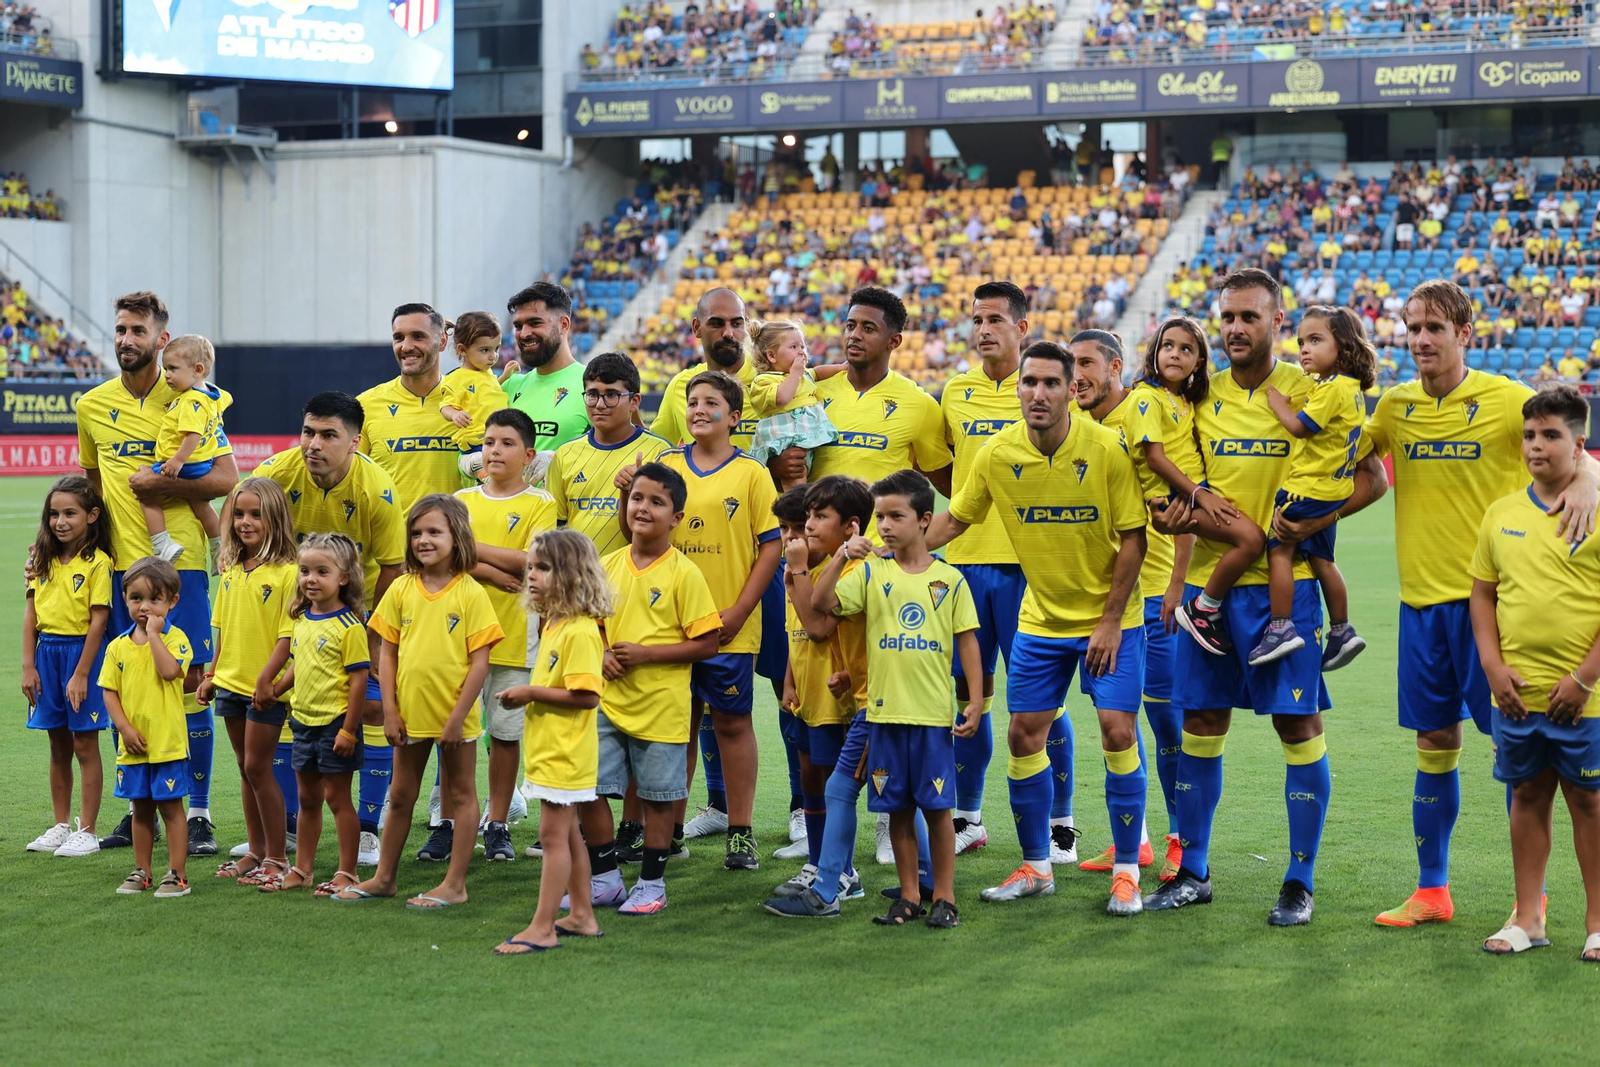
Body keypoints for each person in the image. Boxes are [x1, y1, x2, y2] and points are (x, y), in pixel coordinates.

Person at [1147, 268, 1387, 926]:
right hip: (1213, 590)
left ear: (1277, 322)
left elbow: (1372, 478)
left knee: (1297, 726)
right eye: (1227, 317)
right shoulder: (1198, 396)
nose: (1234, 328)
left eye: (1249, 317)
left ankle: (1299, 881)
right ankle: (1193, 871)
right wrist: (1174, 519)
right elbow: (1175, 489)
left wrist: (1316, 521)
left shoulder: (1315, 389)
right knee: (1201, 724)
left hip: (1289, 593)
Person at [1366, 280, 1599, 927]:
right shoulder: (1395, 406)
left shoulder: (1504, 399)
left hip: (1494, 610)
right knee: (1434, 741)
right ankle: (1432, 891)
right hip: (1420, 606)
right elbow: (1347, 458)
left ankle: (1532, 902)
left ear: (1465, 333)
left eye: (1435, 328)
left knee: (1516, 752)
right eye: (1413, 328)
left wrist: (1588, 476)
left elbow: (1569, 432)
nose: (1421, 340)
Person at [927, 340, 1151, 916]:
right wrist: (894, 547)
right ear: (1019, 389)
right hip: (1042, 618)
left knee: (1117, 732)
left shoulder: (1105, 448)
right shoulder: (997, 453)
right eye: (1030, 382)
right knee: (1024, 734)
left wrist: (1109, 621)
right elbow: (956, 519)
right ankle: (1036, 867)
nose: (1039, 393)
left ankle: (1127, 872)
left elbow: (1134, 537)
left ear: (1072, 389)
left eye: (1052, 383)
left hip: (1111, 621)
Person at [78, 292, 238, 857]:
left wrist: (161, 484)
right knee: (130, 683)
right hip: (123, 568)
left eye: (138, 330)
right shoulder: (92, 405)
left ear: (161, 339)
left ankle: (198, 813)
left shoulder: (190, 397)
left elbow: (226, 479)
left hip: (182, 565)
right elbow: (93, 486)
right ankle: (138, 807)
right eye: (120, 329)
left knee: (190, 686)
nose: (126, 339)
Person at [809, 285, 953, 860]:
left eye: (867, 328)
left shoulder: (918, 405)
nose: (854, 335)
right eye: (849, 324)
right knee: (816, 687)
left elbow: (945, 486)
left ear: (893, 340)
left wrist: (916, 548)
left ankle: (886, 816)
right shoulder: (816, 391)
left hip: (881, 571)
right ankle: (809, 816)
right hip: (821, 563)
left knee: (877, 688)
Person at [813, 471, 981, 928]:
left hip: (931, 718)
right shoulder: (871, 572)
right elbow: (821, 603)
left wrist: (975, 699)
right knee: (898, 812)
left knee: (938, 812)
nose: (884, 526)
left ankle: (944, 896)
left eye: (895, 516)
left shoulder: (949, 579)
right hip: (884, 717)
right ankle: (908, 896)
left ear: (925, 519)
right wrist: (842, 555)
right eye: (879, 517)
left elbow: (967, 639)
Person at [1470, 385, 1600, 958]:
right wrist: (1493, 668)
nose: (1536, 446)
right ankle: (1529, 919)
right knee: (1526, 796)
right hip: (1517, 697)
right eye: (1528, 435)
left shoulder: (1595, 509)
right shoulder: (1501, 513)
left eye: (1550, 435)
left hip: (1586, 697)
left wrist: (1586, 678)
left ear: (1579, 444)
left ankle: (1597, 923)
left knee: (1589, 802)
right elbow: (1482, 594)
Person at [256, 391, 405, 864]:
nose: (313, 444)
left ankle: (367, 826)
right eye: (308, 432)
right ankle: (288, 827)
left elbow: (393, 567)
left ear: (355, 442)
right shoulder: (276, 474)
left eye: (328, 435)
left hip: (359, 614)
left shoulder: (377, 489)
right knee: (293, 704)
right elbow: (239, 519)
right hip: (293, 611)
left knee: (372, 709)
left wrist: (375, 637)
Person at [334, 495, 502, 908]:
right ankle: (384, 878)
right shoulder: (401, 589)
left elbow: (480, 664)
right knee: (400, 796)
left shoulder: (471, 593)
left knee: (461, 796)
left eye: (434, 532)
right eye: (416, 533)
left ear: (457, 536)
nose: (423, 540)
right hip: (408, 716)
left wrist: (457, 718)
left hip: (455, 719)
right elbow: (387, 654)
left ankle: (455, 885)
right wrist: (391, 711)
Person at [1070, 330, 1187, 881]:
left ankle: (1182, 839)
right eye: (1070, 364)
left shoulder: (1142, 412)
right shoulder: (1078, 430)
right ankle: (1133, 840)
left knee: (1166, 721)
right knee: (1116, 722)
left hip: (1157, 598)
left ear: (1115, 367)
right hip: (1104, 603)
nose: (1076, 376)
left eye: (1086, 363)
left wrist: (1177, 587)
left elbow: (1182, 502)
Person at [581, 463, 722, 915]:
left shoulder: (684, 573)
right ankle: (605, 880)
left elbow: (708, 642)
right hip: (607, 703)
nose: (643, 508)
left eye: (656, 502)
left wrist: (646, 655)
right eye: (637, 498)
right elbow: (589, 624)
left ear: (676, 518)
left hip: (662, 708)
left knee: (658, 800)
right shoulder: (606, 566)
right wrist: (602, 652)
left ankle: (652, 886)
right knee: (590, 790)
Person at [659, 372, 782, 870]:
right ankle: (668, 831)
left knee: (732, 723)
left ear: (734, 417)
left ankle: (740, 832)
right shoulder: (666, 466)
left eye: (711, 402)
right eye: (692, 401)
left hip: (728, 625)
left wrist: (739, 611)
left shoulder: (752, 472)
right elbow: (639, 531)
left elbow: (770, 546)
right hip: (670, 625)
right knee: (675, 727)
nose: (698, 409)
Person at [936, 282, 1028, 861]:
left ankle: (1061, 827)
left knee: (1037, 698)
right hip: (965, 561)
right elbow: (945, 470)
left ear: (1022, 327)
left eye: (995, 319)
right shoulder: (955, 390)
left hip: (1028, 564)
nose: (984, 329)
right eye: (977, 319)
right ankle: (968, 817)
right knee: (970, 692)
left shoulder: (1042, 385)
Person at [491, 530, 610, 954]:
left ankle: (542, 927)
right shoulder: (555, 624)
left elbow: (587, 696)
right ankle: (582, 915)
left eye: (543, 568)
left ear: (572, 574)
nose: (532, 576)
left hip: (566, 753)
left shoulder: (579, 631)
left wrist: (529, 692)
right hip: (551, 749)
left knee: (553, 836)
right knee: (569, 833)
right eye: (530, 568)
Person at [456, 409, 557, 861]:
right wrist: (494, 572)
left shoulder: (540, 503)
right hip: (458, 638)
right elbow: (444, 555)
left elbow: (535, 560)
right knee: (456, 733)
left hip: (515, 636)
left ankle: (497, 822)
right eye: (488, 442)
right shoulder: (461, 500)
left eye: (506, 443)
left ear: (529, 455)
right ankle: (451, 821)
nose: (494, 451)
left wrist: (470, 551)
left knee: (504, 735)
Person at [1253, 306, 1375, 668]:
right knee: (1323, 561)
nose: (1305, 348)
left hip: (1305, 490)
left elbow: (1300, 428)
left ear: (1344, 345)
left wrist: (1278, 405)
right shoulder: (1350, 388)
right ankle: (1342, 630)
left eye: (1316, 340)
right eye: (1302, 341)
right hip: (1334, 492)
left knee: (1279, 553)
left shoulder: (1331, 389)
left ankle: (1280, 627)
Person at [198, 478, 297, 888]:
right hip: (231, 684)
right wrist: (212, 675)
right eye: (238, 514)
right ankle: (256, 851)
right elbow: (223, 631)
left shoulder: (289, 573)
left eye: (256, 514)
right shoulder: (232, 571)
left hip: (265, 690)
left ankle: (277, 858)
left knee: (259, 767)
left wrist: (267, 680)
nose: (245, 522)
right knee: (245, 768)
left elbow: (287, 638)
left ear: (275, 518)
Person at [768, 485, 854, 895]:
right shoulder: (793, 571)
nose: (791, 538)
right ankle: (817, 862)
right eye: (784, 529)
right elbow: (795, 634)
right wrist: (788, 682)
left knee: (835, 787)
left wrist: (799, 570)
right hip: (805, 697)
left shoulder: (833, 575)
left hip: (834, 702)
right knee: (810, 783)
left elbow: (817, 630)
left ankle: (843, 871)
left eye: (799, 527)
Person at [22, 476, 113, 858]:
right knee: (57, 743)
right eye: (54, 514)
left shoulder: (99, 563)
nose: (60, 522)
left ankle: (87, 831)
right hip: (47, 655)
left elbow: (99, 620)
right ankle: (61, 825)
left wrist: (81, 673)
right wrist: (28, 665)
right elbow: (31, 614)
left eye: (70, 513)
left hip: (82, 656)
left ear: (91, 515)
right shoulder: (40, 560)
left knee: (84, 743)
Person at [278, 533, 370, 897]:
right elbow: (298, 663)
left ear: (344, 577)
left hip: (335, 724)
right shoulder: (301, 620)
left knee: (337, 798)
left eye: (321, 571)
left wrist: (348, 730)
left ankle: (348, 872)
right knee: (307, 799)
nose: (310, 579)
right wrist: (276, 688)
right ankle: (302, 868)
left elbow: (359, 681)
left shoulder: (350, 627)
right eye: (305, 571)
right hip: (303, 722)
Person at [99, 556, 196, 898]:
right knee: (140, 810)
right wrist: (124, 729)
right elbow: (109, 692)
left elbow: (170, 672)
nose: (145, 607)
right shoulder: (117, 647)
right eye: (136, 598)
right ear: (124, 599)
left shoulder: (176, 639)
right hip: (134, 746)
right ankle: (143, 871)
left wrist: (154, 635)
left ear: (172, 601)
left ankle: (177, 874)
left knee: (171, 808)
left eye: (155, 599)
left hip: (167, 744)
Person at [546, 352, 672, 562]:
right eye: (592, 394)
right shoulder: (565, 454)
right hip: (578, 577)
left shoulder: (660, 452)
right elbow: (555, 531)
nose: (600, 404)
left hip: (637, 577)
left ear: (634, 402)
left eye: (611, 395)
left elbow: (666, 532)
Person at [358, 303, 463, 512]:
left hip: (457, 532)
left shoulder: (467, 400)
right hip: (390, 534)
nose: (406, 347)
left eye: (418, 336)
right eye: (399, 338)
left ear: (442, 341)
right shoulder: (365, 405)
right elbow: (352, 481)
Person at [141, 335, 226, 568]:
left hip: (186, 464)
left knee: (146, 495)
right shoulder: (213, 396)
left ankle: (162, 544)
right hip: (202, 463)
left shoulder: (190, 401)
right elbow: (227, 399)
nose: (166, 375)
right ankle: (219, 546)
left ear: (197, 369)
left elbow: (192, 435)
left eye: (173, 369)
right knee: (201, 504)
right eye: (166, 368)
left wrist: (177, 461)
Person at [745, 318, 842, 489]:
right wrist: (795, 374)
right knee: (795, 477)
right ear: (772, 355)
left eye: (802, 346)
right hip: (784, 439)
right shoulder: (763, 380)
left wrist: (842, 368)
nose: (801, 351)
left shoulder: (803, 375)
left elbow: (817, 372)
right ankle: (795, 503)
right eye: (793, 347)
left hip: (805, 436)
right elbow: (783, 397)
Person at [502, 282, 592, 462]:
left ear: (563, 324)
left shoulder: (592, 386)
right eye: (518, 326)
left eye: (535, 323)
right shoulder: (508, 386)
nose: (524, 334)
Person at [438, 311, 518, 481]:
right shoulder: (456, 378)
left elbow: (489, 393)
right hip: (474, 446)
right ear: (463, 349)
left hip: (498, 440)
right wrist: (455, 414)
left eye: (497, 349)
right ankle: (482, 471)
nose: (493, 356)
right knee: (481, 463)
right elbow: (445, 406)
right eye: (485, 350)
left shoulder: (487, 373)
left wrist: (505, 376)